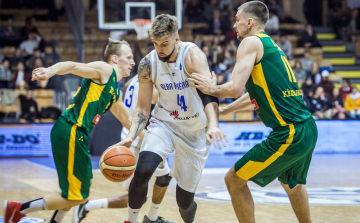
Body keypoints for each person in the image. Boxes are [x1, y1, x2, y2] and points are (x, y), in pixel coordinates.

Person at [188, 2, 318, 222]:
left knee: (233, 180)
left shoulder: (250, 42)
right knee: (292, 185)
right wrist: (228, 109)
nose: (234, 23)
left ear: (249, 22)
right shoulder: (270, 45)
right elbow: (255, 93)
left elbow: (234, 88)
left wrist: (210, 88)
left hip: (289, 133)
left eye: (237, 19)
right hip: (306, 128)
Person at [3, 39, 139, 223]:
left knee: (80, 190)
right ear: (114, 58)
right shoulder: (105, 69)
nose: (133, 62)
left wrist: (158, 139)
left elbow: (127, 121)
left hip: (77, 134)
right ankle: (17, 209)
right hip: (71, 129)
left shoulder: (115, 90)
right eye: (129, 57)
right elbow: (72, 66)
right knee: (78, 196)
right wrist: (50, 71)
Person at [117, 14, 227, 223]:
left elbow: (209, 95)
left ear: (176, 39)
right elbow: (142, 108)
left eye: (164, 44)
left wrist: (213, 125)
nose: (160, 49)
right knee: (142, 171)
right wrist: (132, 135)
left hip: (195, 131)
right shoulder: (147, 63)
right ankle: (131, 220)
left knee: (184, 202)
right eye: (156, 44)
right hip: (164, 124)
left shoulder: (193, 56)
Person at [72, 75, 174, 223]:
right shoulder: (153, 80)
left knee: (164, 177)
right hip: (138, 139)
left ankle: (152, 218)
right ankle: (89, 206)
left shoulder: (135, 78)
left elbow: (126, 86)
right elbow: (156, 98)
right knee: (137, 194)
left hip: (139, 136)